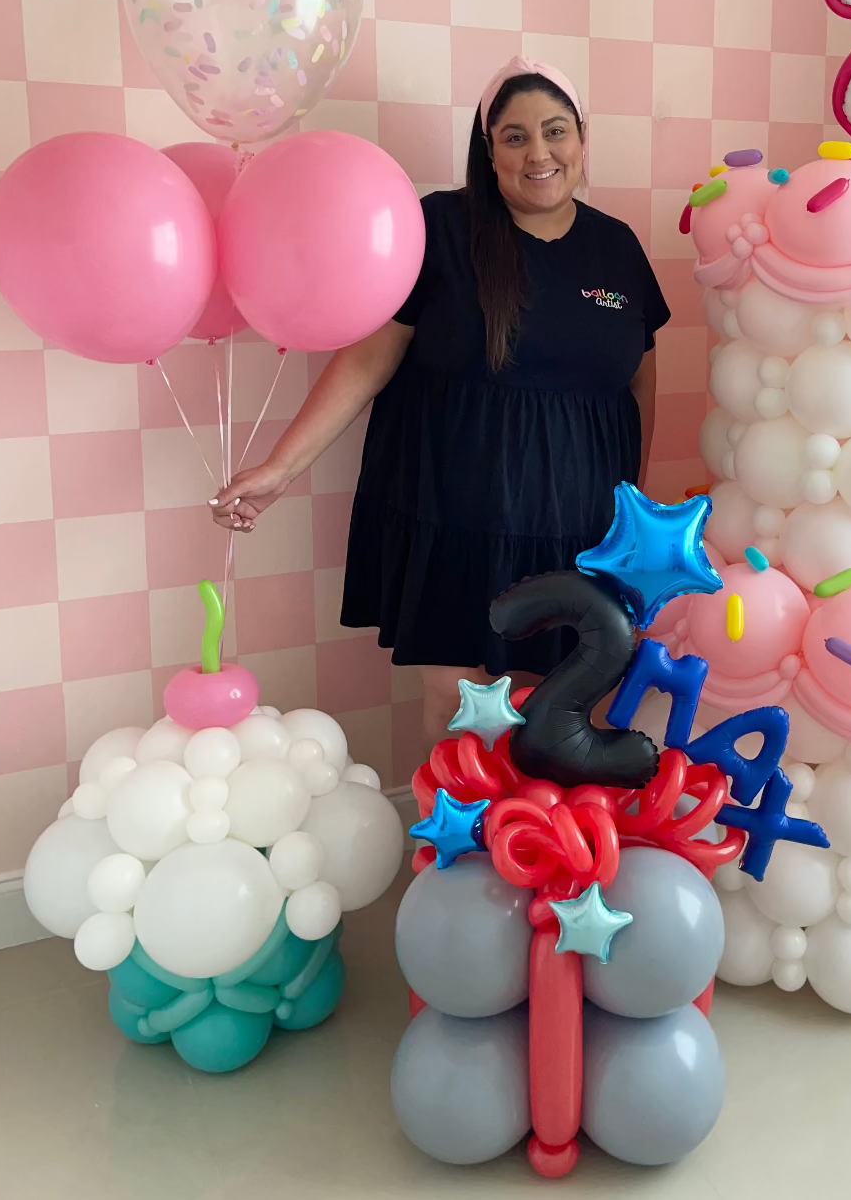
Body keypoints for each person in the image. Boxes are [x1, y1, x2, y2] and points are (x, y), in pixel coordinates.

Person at [210, 56, 670, 744]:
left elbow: (638, 385)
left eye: (555, 131)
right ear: (488, 151)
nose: (538, 153)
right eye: (514, 137)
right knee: (461, 708)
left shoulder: (617, 248)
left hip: (576, 529)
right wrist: (281, 467)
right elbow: (366, 361)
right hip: (452, 516)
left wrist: (630, 510)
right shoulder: (439, 230)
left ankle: (544, 850)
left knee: (563, 712)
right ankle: (453, 853)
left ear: (581, 138)